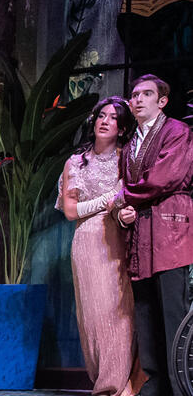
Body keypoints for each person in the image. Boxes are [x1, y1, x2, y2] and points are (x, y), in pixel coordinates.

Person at [110, 74, 193, 396]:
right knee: (145, 312)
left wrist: (125, 200)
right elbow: (123, 189)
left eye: (147, 94)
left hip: (171, 233)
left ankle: (180, 385)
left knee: (173, 312)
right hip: (141, 236)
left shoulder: (177, 132)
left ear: (162, 101)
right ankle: (155, 383)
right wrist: (123, 212)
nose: (139, 99)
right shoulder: (130, 144)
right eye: (134, 95)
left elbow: (164, 178)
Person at [57, 97, 137, 396]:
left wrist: (117, 205)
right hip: (88, 241)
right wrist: (108, 199)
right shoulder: (76, 162)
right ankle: (104, 381)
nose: (105, 121)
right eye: (101, 115)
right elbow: (70, 211)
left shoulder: (126, 157)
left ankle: (120, 383)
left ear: (123, 126)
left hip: (120, 236)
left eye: (113, 117)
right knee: (93, 313)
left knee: (119, 311)